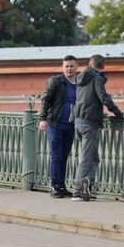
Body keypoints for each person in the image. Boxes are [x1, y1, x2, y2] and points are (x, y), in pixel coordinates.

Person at [71, 54, 124, 201]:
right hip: (90, 123)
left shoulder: (80, 78)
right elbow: (104, 97)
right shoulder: (97, 78)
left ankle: (86, 186)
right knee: (87, 158)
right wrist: (118, 113)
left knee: (94, 158)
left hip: (78, 121)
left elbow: (77, 100)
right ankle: (77, 191)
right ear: (103, 66)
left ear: (90, 64)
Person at [39, 55, 78, 198]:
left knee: (64, 156)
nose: (69, 68)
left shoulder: (79, 83)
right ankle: (54, 186)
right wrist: (43, 119)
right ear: (63, 68)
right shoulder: (56, 81)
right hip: (55, 123)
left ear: (76, 67)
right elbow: (46, 100)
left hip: (71, 125)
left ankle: (62, 186)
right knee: (56, 155)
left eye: (72, 66)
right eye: (66, 66)